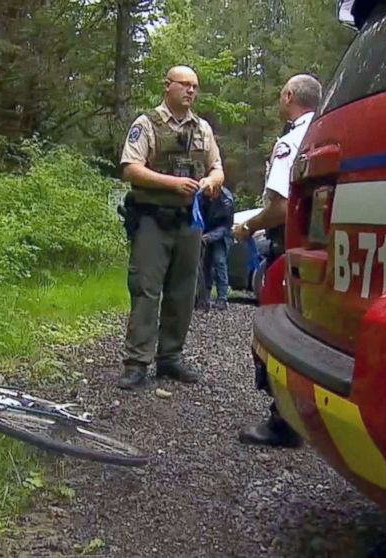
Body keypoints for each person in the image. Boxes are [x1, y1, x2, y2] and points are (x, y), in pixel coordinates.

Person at [117, 65, 225, 390]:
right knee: (146, 289)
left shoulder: (203, 128)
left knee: (182, 292)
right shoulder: (146, 124)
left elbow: (217, 166)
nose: (191, 91)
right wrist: (172, 183)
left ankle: (170, 358)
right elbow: (130, 169)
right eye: (185, 85)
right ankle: (136, 362)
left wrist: (210, 182)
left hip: (189, 222)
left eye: (195, 86)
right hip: (152, 219)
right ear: (168, 86)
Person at [233, 73, 322, 446]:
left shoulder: (290, 142)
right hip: (324, 248)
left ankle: (282, 420)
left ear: (289, 96)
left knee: (278, 331)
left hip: (289, 248)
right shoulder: (326, 131)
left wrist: (248, 226)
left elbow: (281, 207)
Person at [197, 185, 235, 311]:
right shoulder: (201, 195)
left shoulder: (226, 200)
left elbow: (226, 226)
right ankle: (204, 298)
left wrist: (209, 237)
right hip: (206, 231)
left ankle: (222, 298)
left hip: (221, 235)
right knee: (205, 265)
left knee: (220, 262)